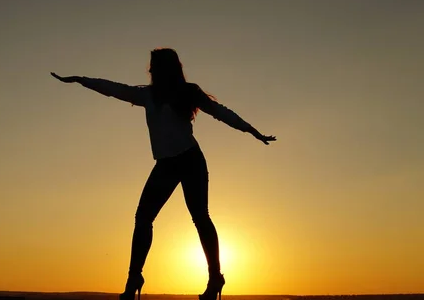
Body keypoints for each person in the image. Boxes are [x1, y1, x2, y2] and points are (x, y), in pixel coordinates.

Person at [50, 48, 276, 300]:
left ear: (166, 68)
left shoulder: (188, 93)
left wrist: (251, 130)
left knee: (200, 217)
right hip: (165, 165)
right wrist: (82, 80)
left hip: (190, 160)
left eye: (154, 66)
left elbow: (221, 112)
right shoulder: (147, 95)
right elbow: (114, 88)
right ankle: (134, 276)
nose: (150, 71)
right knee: (143, 218)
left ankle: (215, 278)